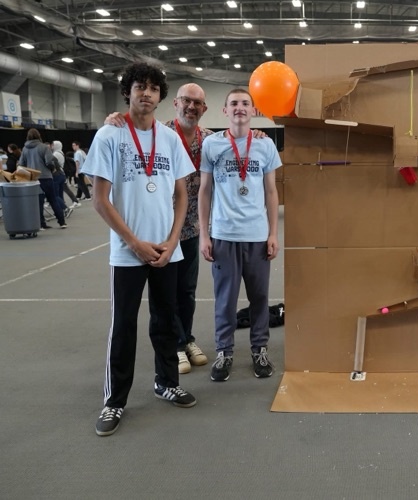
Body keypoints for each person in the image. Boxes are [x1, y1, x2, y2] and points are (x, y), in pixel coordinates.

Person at [105, 85, 268, 375]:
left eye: (198, 103)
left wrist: (258, 133)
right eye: (186, 101)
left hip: (191, 227)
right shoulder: (160, 133)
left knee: (185, 291)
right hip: (158, 227)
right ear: (176, 103)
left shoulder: (209, 139)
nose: (192, 107)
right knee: (162, 297)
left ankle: (186, 339)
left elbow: (236, 145)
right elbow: (134, 124)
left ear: (205, 109)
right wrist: (114, 118)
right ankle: (176, 347)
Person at [83, 61, 197, 437]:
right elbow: (100, 199)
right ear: (127, 92)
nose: (145, 93)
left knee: (167, 322)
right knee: (124, 327)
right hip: (127, 252)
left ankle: (166, 382)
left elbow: (182, 194)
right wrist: (133, 242)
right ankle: (114, 401)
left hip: (167, 250)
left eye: (152, 88)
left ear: (161, 96)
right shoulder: (109, 135)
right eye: (139, 87)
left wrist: (173, 240)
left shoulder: (169, 139)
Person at [198, 88, 281, 382]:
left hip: (257, 236)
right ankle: (225, 352)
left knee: (259, 297)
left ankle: (259, 350)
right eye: (234, 103)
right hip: (223, 235)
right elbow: (205, 191)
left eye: (245, 103)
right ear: (225, 111)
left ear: (254, 110)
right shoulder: (212, 144)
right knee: (225, 299)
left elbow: (272, 192)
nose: (239, 108)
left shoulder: (265, 145)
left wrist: (273, 233)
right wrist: (204, 235)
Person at [17, 128, 67, 229]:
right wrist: (52, 169)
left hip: (33, 179)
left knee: (38, 202)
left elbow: (21, 164)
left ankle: (41, 224)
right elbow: (49, 162)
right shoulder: (44, 147)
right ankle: (61, 222)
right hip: (46, 177)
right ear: (39, 135)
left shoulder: (25, 149)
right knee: (53, 199)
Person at [51, 140, 80, 215]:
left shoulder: (55, 154)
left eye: (53, 145)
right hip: (62, 173)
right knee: (62, 191)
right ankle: (63, 205)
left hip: (57, 174)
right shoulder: (61, 152)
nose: (52, 146)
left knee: (57, 193)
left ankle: (66, 206)